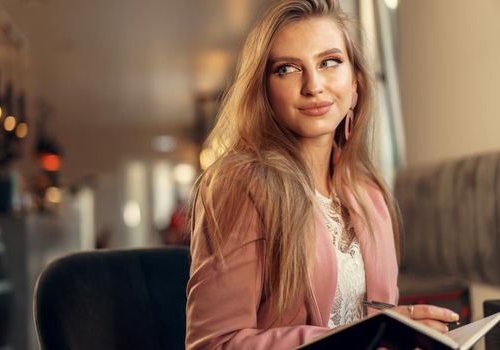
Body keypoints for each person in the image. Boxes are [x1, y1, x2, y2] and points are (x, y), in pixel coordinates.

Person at [185, 0, 460, 349]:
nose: (313, 85)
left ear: (356, 83)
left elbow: (378, 325)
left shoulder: (371, 194)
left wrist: (403, 334)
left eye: (329, 62)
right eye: (287, 69)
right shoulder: (239, 186)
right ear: (265, 91)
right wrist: (356, 339)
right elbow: (215, 344)